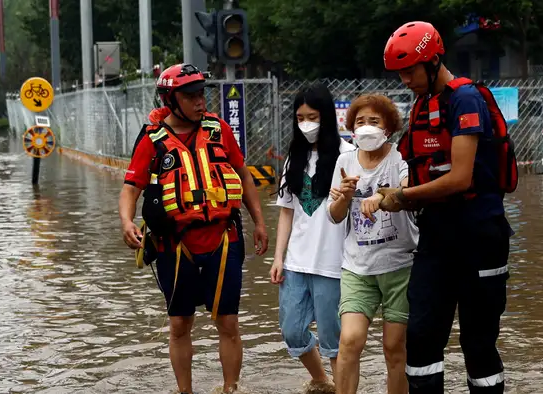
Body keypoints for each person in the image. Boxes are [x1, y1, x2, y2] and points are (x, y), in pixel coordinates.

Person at [379, 21, 518, 393]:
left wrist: (404, 197)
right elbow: (414, 168)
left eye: (410, 71)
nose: (405, 80)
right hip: (437, 237)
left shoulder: (466, 100)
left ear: (434, 60)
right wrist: (390, 193)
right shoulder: (423, 105)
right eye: (400, 74)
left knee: (478, 341)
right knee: (422, 334)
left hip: (479, 236)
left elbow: (460, 178)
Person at [118, 63, 269, 394]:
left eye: (202, 94)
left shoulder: (218, 129)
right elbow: (131, 187)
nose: (200, 102)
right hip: (175, 245)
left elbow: (243, 176)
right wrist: (127, 221)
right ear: (171, 100)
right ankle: (184, 390)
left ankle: (231, 388)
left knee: (228, 321)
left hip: (223, 239)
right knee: (179, 323)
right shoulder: (151, 140)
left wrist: (259, 221)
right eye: (191, 97)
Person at [327, 94, 419, 394]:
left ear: (388, 128)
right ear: (351, 128)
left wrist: (381, 195)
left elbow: (408, 190)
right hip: (357, 267)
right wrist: (342, 196)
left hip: (399, 265)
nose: (367, 127)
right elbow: (335, 216)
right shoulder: (344, 161)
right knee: (349, 341)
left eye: (374, 121)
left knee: (394, 348)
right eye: (360, 122)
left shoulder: (399, 158)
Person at [270, 83, 356, 392]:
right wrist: (278, 257)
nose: (306, 123)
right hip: (296, 262)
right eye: (300, 117)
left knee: (335, 341)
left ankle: (344, 388)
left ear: (328, 117)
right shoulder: (296, 157)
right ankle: (322, 382)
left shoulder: (348, 156)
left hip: (334, 265)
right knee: (292, 331)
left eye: (313, 116)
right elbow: (286, 212)